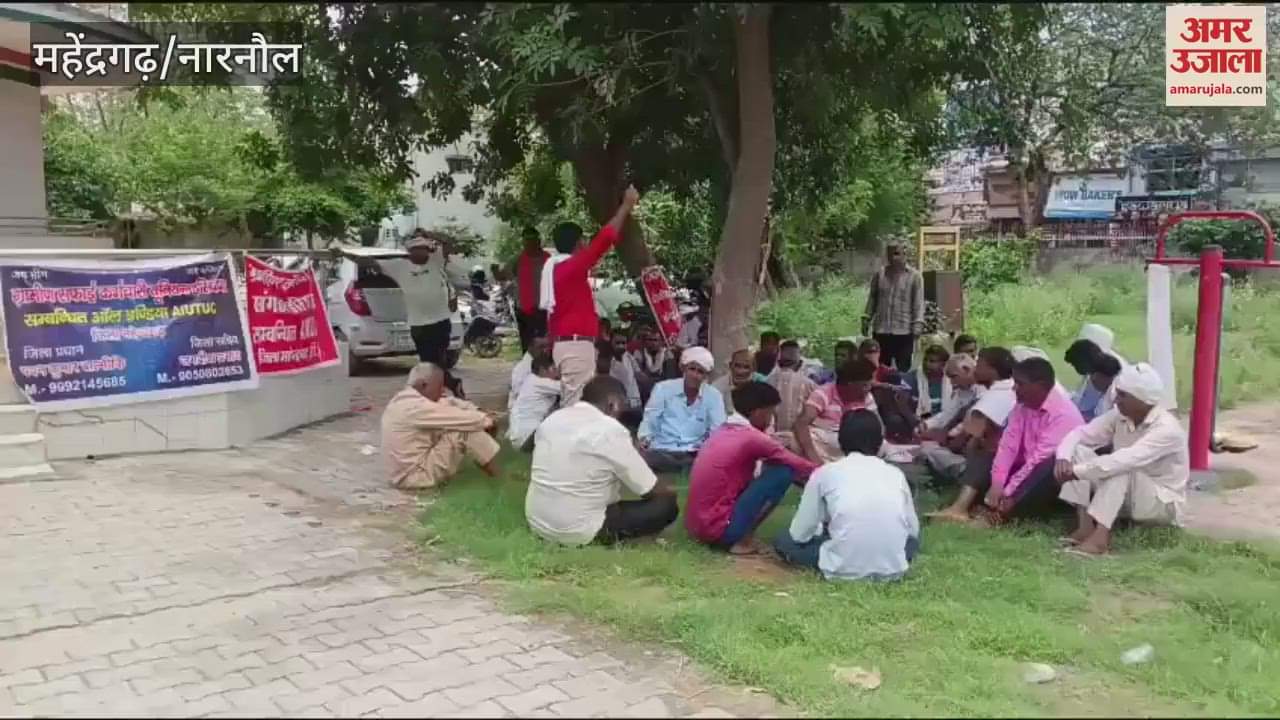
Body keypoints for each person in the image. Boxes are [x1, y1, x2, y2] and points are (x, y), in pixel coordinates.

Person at [525, 376, 679, 546]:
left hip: (538, 523)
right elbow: (650, 489)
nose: (620, 416)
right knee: (667, 505)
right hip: (578, 530)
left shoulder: (553, 419)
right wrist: (669, 488)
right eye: (622, 408)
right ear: (613, 404)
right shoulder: (610, 429)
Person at [1055, 363, 1188, 556]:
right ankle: (1085, 527)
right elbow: (1080, 434)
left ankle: (1100, 539)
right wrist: (1063, 458)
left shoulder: (1167, 429)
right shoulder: (1120, 415)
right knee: (1079, 451)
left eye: (1123, 395)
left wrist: (1076, 472)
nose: (1116, 400)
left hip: (1161, 504)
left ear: (1143, 400)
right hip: (1127, 493)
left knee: (1120, 466)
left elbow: (1124, 460)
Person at [774, 410, 921, 582]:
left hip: (841, 567)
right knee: (911, 542)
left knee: (785, 539)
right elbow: (913, 530)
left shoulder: (825, 473)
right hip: (893, 569)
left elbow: (800, 534)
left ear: (840, 441)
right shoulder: (895, 474)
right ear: (880, 442)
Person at [686, 382, 820, 555]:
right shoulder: (751, 437)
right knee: (783, 472)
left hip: (696, 528)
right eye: (770, 413)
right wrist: (835, 473)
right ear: (758, 412)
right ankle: (741, 539)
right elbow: (799, 464)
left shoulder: (723, 430)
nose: (771, 419)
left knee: (771, 468)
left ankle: (737, 533)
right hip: (719, 531)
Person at [542, 186, 640, 406]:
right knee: (576, 405)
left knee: (577, 402)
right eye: (584, 241)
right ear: (579, 243)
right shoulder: (569, 267)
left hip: (571, 344)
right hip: (575, 346)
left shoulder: (557, 269)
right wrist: (626, 206)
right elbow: (604, 240)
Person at [347, 229, 470, 394]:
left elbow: (449, 244)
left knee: (437, 362)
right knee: (427, 364)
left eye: (424, 249)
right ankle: (450, 386)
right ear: (410, 251)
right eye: (417, 250)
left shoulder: (436, 261)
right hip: (418, 324)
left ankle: (440, 391)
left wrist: (430, 234)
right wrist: (344, 253)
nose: (422, 253)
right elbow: (369, 263)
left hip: (440, 322)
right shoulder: (399, 266)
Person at [975, 358, 1085, 523]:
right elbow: (1008, 446)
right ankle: (983, 503)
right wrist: (997, 483)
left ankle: (1002, 512)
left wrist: (1008, 491)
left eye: (1020, 384)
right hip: (1027, 468)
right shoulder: (1022, 406)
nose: (1014, 388)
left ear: (1040, 386)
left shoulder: (1064, 414)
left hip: (1054, 476)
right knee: (988, 453)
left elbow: (1038, 460)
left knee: (1046, 466)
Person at [924, 347, 1020, 518]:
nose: (975, 369)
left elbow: (966, 444)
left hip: (998, 466)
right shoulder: (1008, 389)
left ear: (992, 371)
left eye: (979, 365)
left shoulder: (992, 400)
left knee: (972, 450)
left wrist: (945, 440)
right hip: (1011, 461)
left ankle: (960, 507)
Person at [380, 363, 500, 490]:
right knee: (464, 431)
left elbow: (449, 402)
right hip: (413, 477)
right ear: (424, 385)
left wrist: (477, 410)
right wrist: (487, 420)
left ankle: (490, 469)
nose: (443, 390)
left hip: (403, 473)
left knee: (462, 422)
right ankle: (499, 478)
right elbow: (462, 419)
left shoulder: (405, 400)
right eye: (439, 386)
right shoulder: (416, 407)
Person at [638, 347, 726, 473]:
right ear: (683, 368)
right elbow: (650, 420)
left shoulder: (714, 396)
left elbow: (717, 430)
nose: (695, 375)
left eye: (700, 372)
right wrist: (644, 439)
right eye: (692, 369)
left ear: (706, 375)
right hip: (663, 449)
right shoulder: (663, 389)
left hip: (694, 451)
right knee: (647, 458)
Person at [794, 358, 877, 464]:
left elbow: (878, 427)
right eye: (865, 385)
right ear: (850, 384)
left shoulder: (867, 397)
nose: (868, 388)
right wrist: (815, 459)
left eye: (869, 384)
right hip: (825, 446)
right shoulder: (823, 393)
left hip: (858, 446)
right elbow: (801, 423)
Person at [862, 242, 925, 373]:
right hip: (881, 331)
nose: (893, 257)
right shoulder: (880, 274)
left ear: (904, 254)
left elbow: (918, 302)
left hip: (904, 331)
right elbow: (872, 298)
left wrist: (918, 324)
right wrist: (866, 318)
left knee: (903, 370)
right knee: (880, 369)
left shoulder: (915, 276)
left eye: (896, 253)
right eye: (890, 254)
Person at [507, 354, 562, 451]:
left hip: (522, 436)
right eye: (554, 369)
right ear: (542, 370)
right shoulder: (539, 382)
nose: (557, 374)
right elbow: (568, 388)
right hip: (527, 437)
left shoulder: (531, 380)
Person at [919, 352, 979, 437]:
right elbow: (948, 414)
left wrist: (946, 433)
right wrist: (926, 424)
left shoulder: (984, 387)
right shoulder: (961, 390)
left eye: (954, 377)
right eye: (950, 378)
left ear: (967, 370)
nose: (952, 382)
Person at [510, 226, 550, 353]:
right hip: (524, 310)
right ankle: (528, 362)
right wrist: (496, 271)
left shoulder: (548, 259)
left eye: (532, 239)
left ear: (538, 241)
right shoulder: (518, 259)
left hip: (543, 310)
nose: (530, 243)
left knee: (542, 344)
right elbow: (504, 274)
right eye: (526, 240)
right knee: (527, 344)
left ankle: (542, 362)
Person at [767, 340, 818, 436]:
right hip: (800, 438)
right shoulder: (809, 383)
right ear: (799, 360)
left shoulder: (768, 381)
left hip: (773, 436)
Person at [1065, 339, 1122, 422]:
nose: (1092, 379)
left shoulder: (1117, 389)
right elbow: (1083, 404)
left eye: (1075, 365)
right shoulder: (1094, 372)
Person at [711, 349, 768, 416]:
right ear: (730, 365)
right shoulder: (716, 388)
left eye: (746, 367)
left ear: (753, 369)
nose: (740, 372)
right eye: (737, 366)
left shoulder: (763, 384)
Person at [905, 345, 951, 418]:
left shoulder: (952, 380)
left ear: (943, 364)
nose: (926, 364)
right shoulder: (912, 378)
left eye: (932, 361)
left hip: (944, 419)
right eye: (925, 360)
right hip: (919, 418)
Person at [631, 326, 675, 402]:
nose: (653, 343)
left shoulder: (667, 354)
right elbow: (638, 375)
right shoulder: (639, 353)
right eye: (650, 340)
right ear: (645, 341)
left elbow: (670, 378)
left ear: (661, 342)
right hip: (645, 393)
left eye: (655, 340)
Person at [509, 336, 551, 411]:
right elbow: (518, 391)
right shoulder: (522, 367)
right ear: (530, 348)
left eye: (546, 347)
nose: (544, 350)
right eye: (540, 347)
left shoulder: (542, 363)